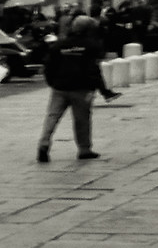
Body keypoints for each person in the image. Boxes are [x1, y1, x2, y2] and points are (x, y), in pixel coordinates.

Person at [36, 15, 106, 163]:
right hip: (82, 88)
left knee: (52, 116)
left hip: (59, 87)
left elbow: (48, 66)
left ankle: (44, 143)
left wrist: (52, 83)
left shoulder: (59, 45)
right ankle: (84, 149)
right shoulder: (92, 46)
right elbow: (94, 70)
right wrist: (103, 89)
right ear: (89, 30)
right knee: (82, 119)